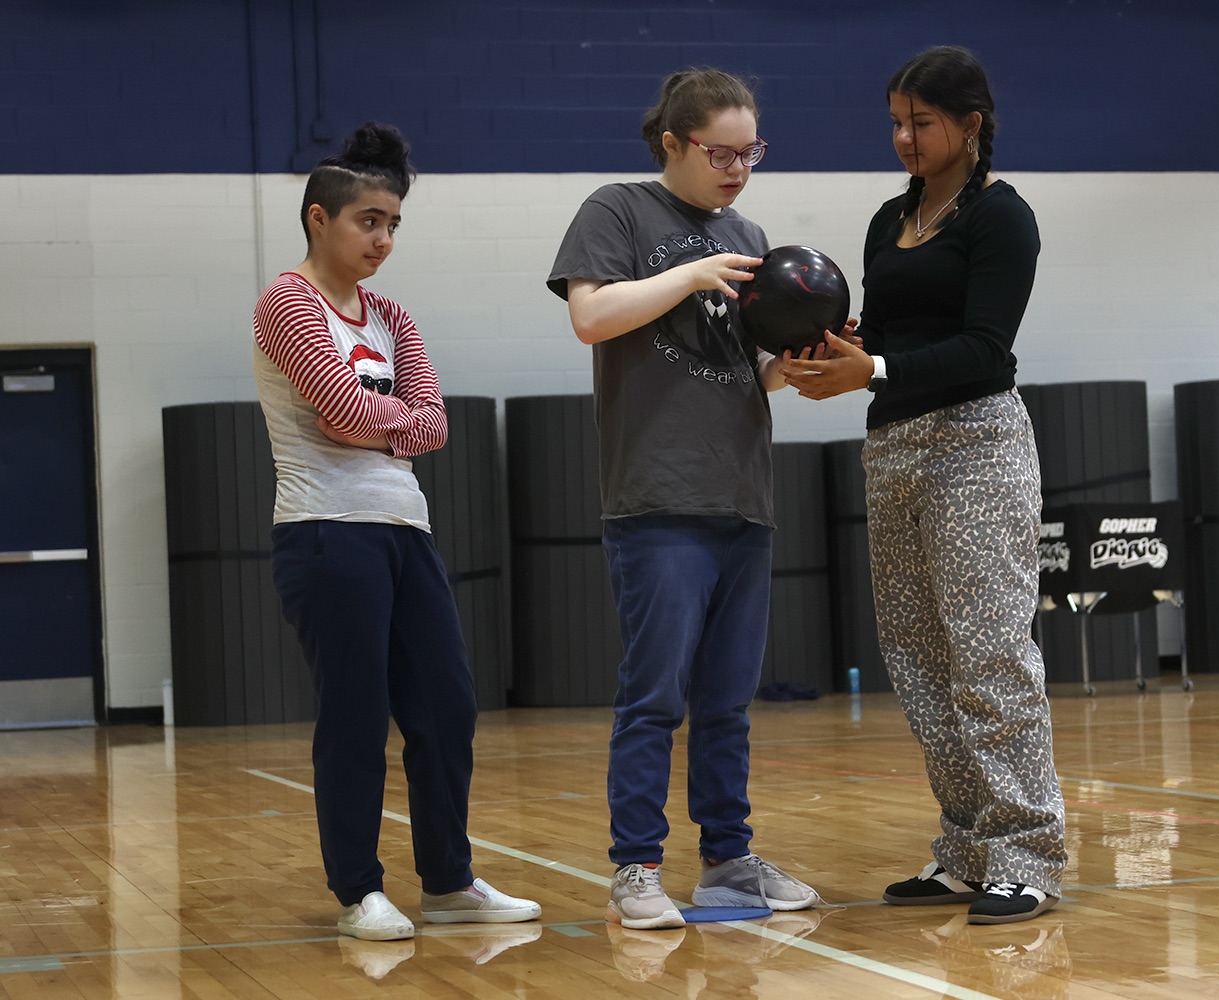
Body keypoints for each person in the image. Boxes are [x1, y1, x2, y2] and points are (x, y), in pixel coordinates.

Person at [780, 46, 1067, 925]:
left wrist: (874, 366)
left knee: (988, 654)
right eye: (897, 122)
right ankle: (968, 848)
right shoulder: (884, 219)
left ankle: (1029, 853)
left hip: (975, 446)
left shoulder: (1002, 219)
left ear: (970, 125)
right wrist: (840, 347)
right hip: (894, 446)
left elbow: (984, 348)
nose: (905, 138)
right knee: (918, 660)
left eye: (923, 123)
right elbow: (894, 335)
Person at [546, 68, 821, 930]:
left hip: (743, 495)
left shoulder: (747, 232)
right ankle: (634, 867)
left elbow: (750, 371)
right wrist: (692, 273)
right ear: (673, 142)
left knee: (727, 703)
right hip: (656, 499)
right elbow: (590, 318)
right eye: (722, 152)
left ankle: (729, 863)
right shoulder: (618, 210)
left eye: (752, 152)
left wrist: (801, 365)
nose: (739, 169)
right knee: (653, 697)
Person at [253, 122, 541, 941]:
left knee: (447, 707)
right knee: (355, 712)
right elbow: (343, 416)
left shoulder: (389, 316)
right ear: (320, 219)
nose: (382, 239)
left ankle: (449, 882)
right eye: (367, 221)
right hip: (325, 531)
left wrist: (378, 422)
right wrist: (388, 420)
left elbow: (432, 424)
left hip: (404, 531)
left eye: (392, 225)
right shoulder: (287, 302)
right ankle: (359, 890)